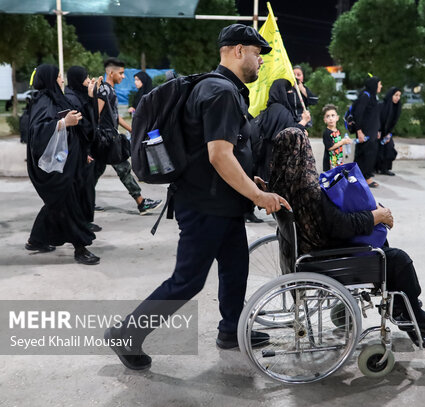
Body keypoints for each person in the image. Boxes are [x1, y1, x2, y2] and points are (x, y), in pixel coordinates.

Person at [105, 24, 291, 370]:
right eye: (256, 53)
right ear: (237, 51)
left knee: (236, 268)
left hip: (223, 204)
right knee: (187, 280)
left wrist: (251, 179)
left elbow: (229, 150)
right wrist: (258, 195)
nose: (261, 61)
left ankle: (231, 329)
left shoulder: (223, 89)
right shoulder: (220, 92)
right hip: (205, 207)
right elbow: (218, 155)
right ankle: (126, 333)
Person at [269, 127, 425, 336]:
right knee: (399, 259)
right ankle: (415, 315)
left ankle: (403, 307)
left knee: (381, 245)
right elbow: (341, 226)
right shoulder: (308, 190)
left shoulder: (280, 185)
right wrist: (378, 216)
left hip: (305, 251)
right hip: (323, 257)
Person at [24, 64, 100, 265]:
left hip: (68, 160)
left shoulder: (58, 98)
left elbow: (80, 126)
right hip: (56, 166)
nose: (62, 79)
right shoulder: (44, 100)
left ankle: (36, 240)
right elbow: (37, 132)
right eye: (58, 76)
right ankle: (80, 247)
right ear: (49, 79)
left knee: (57, 203)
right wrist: (63, 123)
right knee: (69, 205)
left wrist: (83, 151)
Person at [94, 58, 162, 215]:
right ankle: (141, 202)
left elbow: (114, 116)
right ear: (110, 73)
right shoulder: (104, 90)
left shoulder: (109, 90)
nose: (124, 77)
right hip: (106, 140)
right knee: (123, 169)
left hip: (108, 139)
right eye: (121, 73)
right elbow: (95, 115)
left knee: (93, 174)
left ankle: (84, 201)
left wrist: (131, 129)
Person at [65, 66, 101, 232]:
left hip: (86, 149)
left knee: (87, 188)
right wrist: (85, 152)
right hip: (80, 150)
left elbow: (93, 119)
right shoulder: (71, 98)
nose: (88, 81)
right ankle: (81, 222)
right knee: (82, 189)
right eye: (85, 78)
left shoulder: (79, 95)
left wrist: (92, 96)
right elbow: (84, 127)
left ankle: (85, 220)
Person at [254, 78, 311, 182]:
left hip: (264, 162)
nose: (291, 93)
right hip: (276, 163)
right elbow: (289, 133)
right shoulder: (280, 110)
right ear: (282, 92)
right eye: (289, 91)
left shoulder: (270, 109)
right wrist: (304, 121)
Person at [353, 76, 382, 188]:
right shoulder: (365, 96)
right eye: (379, 84)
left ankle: (363, 177)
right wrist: (359, 131)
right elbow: (358, 114)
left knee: (370, 155)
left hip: (372, 132)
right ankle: (365, 178)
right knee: (363, 155)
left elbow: (374, 116)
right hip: (364, 133)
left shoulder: (373, 97)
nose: (381, 86)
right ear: (374, 85)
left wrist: (378, 129)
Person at [376, 87, 401, 176]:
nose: (398, 98)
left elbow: (393, 123)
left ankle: (385, 169)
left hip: (387, 133)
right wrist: (378, 130)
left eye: (399, 96)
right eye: (396, 95)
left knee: (390, 148)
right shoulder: (382, 105)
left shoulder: (396, 107)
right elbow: (377, 118)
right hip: (377, 131)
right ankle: (376, 168)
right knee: (377, 150)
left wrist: (389, 134)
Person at [321, 103, 351, 171]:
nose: (330, 118)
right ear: (325, 120)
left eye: (333, 115)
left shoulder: (337, 131)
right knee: (333, 181)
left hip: (338, 160)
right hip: (330, 163)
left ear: (337, 118)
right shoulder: (327, 132)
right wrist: (342, 142)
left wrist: (345, 141)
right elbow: (330, 147)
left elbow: (337, 143)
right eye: (328, 116)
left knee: (340, 179)